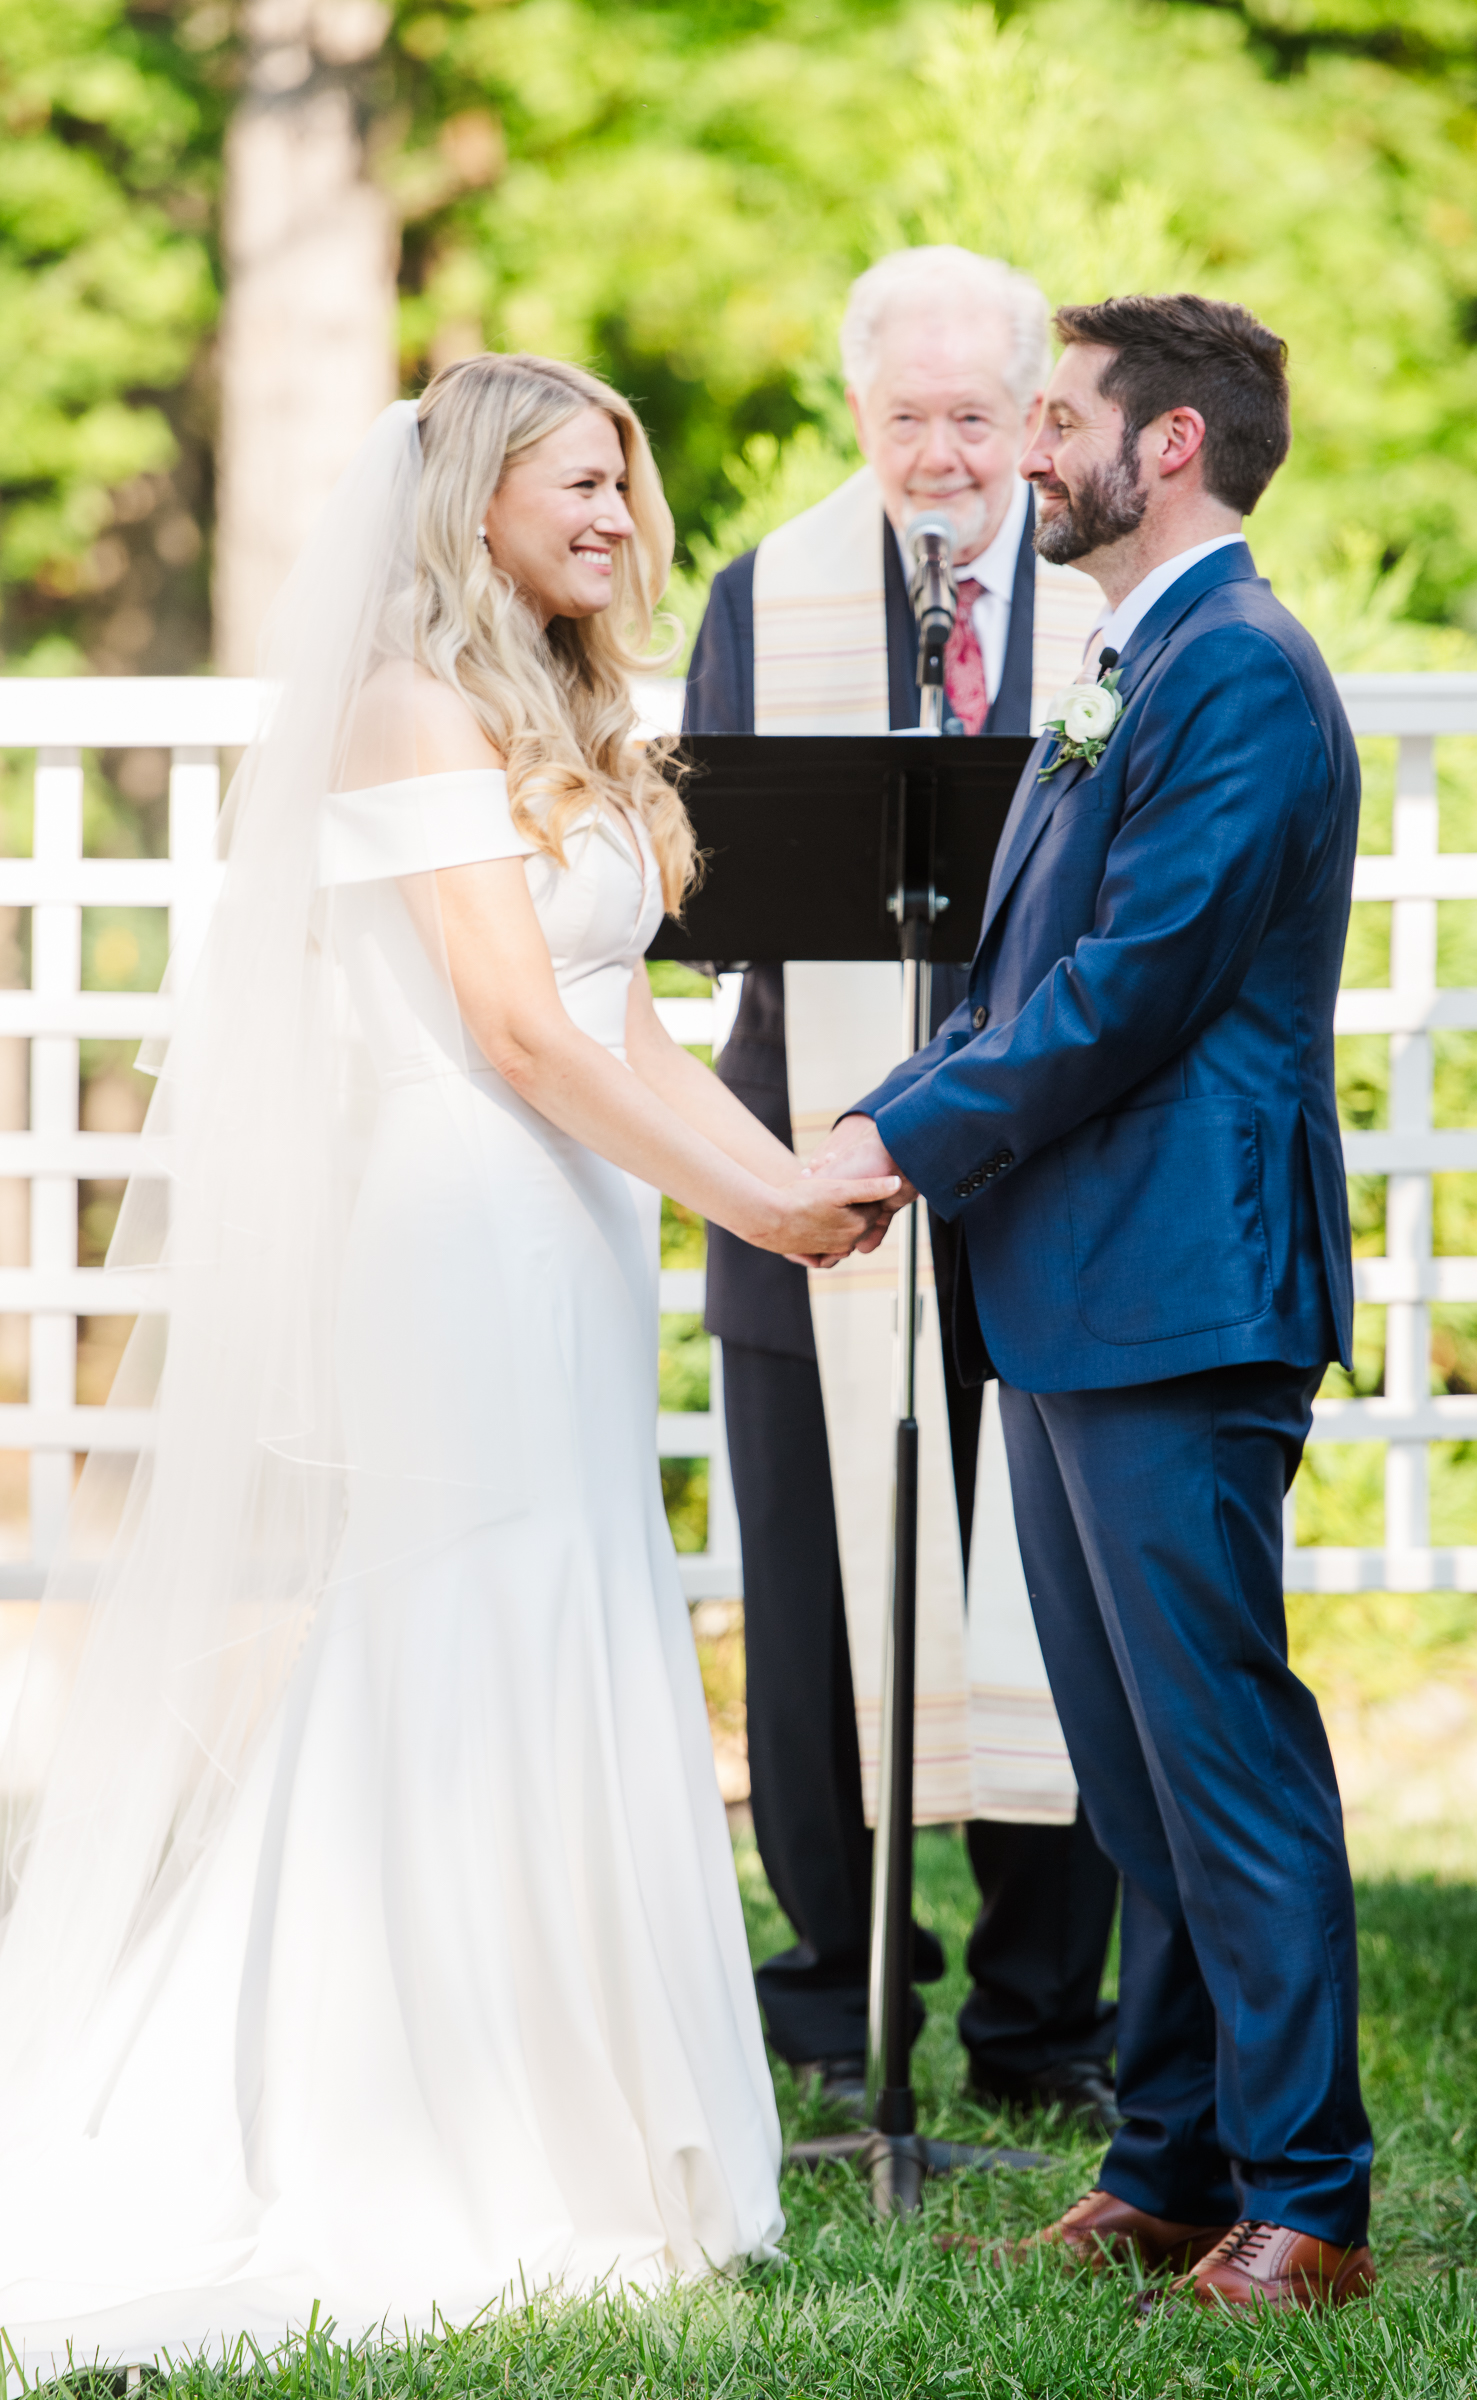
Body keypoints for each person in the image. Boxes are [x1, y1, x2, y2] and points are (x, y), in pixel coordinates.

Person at [0, 355, 899, 2367]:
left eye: (623, 489)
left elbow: (627, 1024)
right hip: (458, 1220)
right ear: (474, 494)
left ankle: (580, 2110)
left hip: (565, 1218)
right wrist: (755, 1216)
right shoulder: (406, 700)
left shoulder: (562, 706)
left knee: (569, 1606)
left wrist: (797, 1181)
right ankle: (415, 2122)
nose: (614, 518)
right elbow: (513, 1032)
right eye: (578, 484)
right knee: (467, 1623)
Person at [809, 294, 1376, 2310]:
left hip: (1181, 1290)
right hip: (1073, 1283)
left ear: (1167, 450)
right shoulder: (1126, 662)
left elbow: (1123, 992)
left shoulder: (1236, 674)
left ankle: (1306, 2199)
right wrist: (912, 1114)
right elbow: (1014, 977)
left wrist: (883, 1144)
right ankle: (1165, 2162)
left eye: (1054, 418)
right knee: (1130, 1772)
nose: (1023, 450)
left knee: (1215, 1754)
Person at [686, 246, 1120, 2119]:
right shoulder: (758, 598)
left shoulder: (1116, 607)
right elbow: (705, 896)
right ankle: (837, 1993)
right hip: (814, 1170)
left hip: (1043, 1179)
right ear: (854, 406)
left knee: (1050, 1577)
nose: (938, 454)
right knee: (810, 1590)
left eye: (973, 415)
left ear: (1032, 416)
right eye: (904, 414)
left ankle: (1041, 2018)